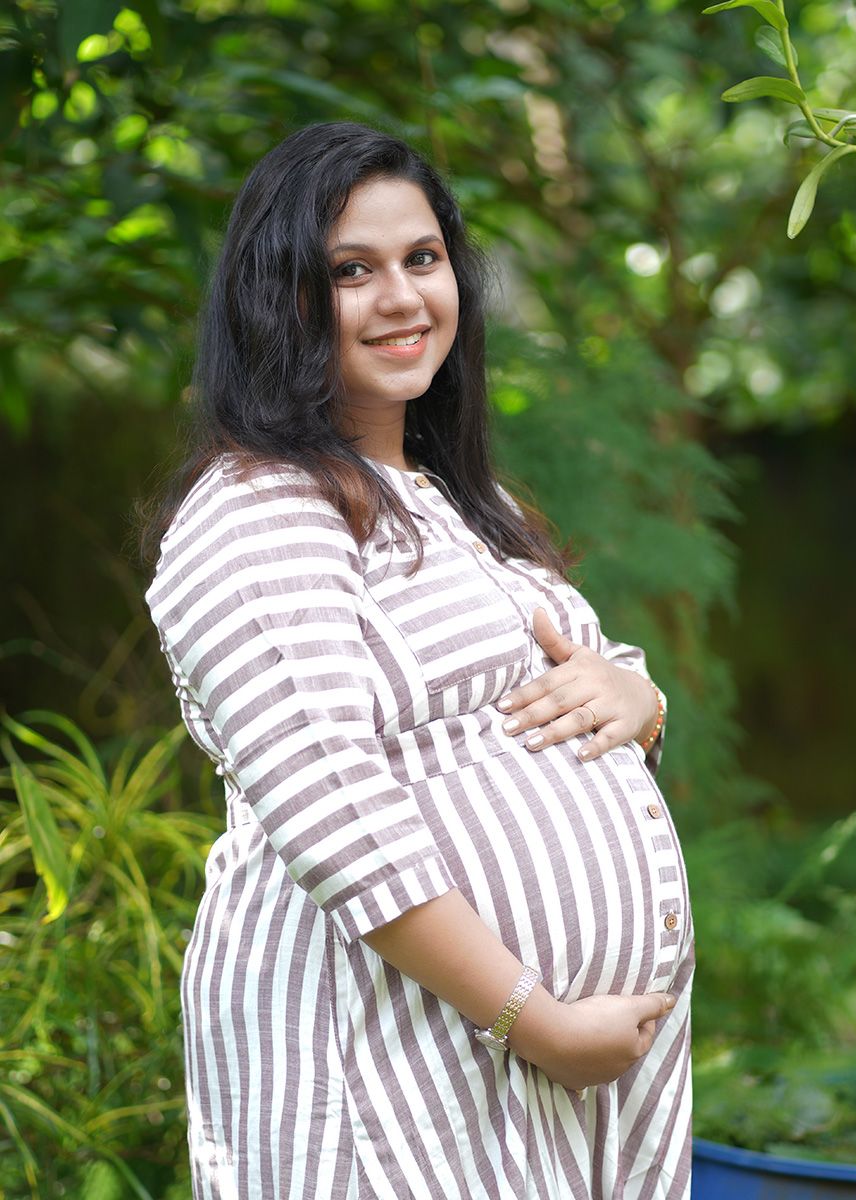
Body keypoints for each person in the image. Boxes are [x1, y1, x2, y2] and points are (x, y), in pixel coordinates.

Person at [143, 121, 693, 1200]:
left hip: (543, 1081)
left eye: (422, 259)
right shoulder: (258, 507)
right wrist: (533, 1020)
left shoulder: (461, 503)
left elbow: (582, 676)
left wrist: (643, 696)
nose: (401, 299)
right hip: (390, 1063)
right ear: (281, 298)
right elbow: (329, 802)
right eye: (351, 271)